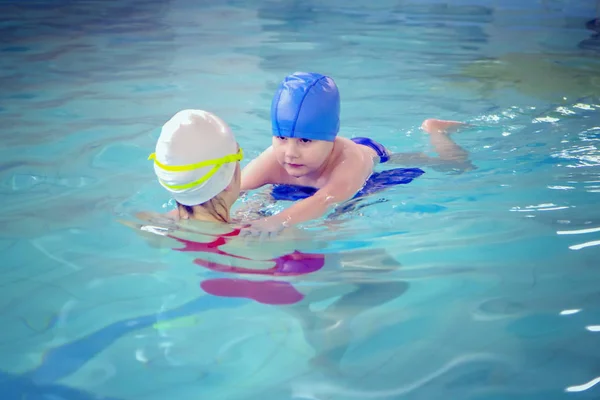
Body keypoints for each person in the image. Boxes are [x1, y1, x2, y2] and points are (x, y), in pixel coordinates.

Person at [240, 71, 475, 236]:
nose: (290, 153)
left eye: (305, 140)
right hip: (325, 171)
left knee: (454, 166)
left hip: (370, 154)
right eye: (281, 138)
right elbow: (231, 188)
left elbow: (325, 200)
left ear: (330, 137)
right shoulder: (273, 157)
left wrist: (278, 220)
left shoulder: (349, 161)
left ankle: (436, 129)